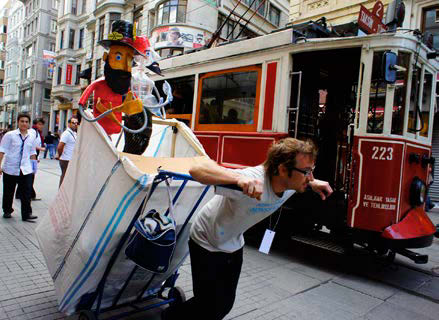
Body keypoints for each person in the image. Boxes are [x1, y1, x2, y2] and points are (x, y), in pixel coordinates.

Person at [161, 138, 333, 320]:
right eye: (307, 171)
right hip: (206, 239)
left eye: (312, 171)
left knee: (224, 305)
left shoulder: (289, 183)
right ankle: (171, 316)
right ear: (282, 169)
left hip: (233, 242)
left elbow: (303, 181)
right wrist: (239, 178)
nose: (310, 177)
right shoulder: (253, 180)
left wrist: (312, 184)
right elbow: (197, 170)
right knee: (208, 304)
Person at [0, 113, 38, 221]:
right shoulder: (10, 135)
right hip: (11, 168)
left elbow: (32, 151)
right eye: (22, 121)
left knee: (26, 191)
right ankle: (7, 210)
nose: (24, 123)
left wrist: (34, 167)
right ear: (18, 122)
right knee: (8, 191)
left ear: (29, 123)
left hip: (25, 169)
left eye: (26, 122)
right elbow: (2, 151)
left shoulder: (31, 136)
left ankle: (26, 214)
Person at [56, 117, 78, 187]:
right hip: (66, 159)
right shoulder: (66, 133)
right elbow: (60, 146)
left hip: (70, 158)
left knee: (68, 177)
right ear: (69, 124)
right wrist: (60, 155)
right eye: (73, 123)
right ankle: (60, 194)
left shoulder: (74, 133)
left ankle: (63, 194)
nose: (75, 124)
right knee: (65, 176)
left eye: (76, 123)